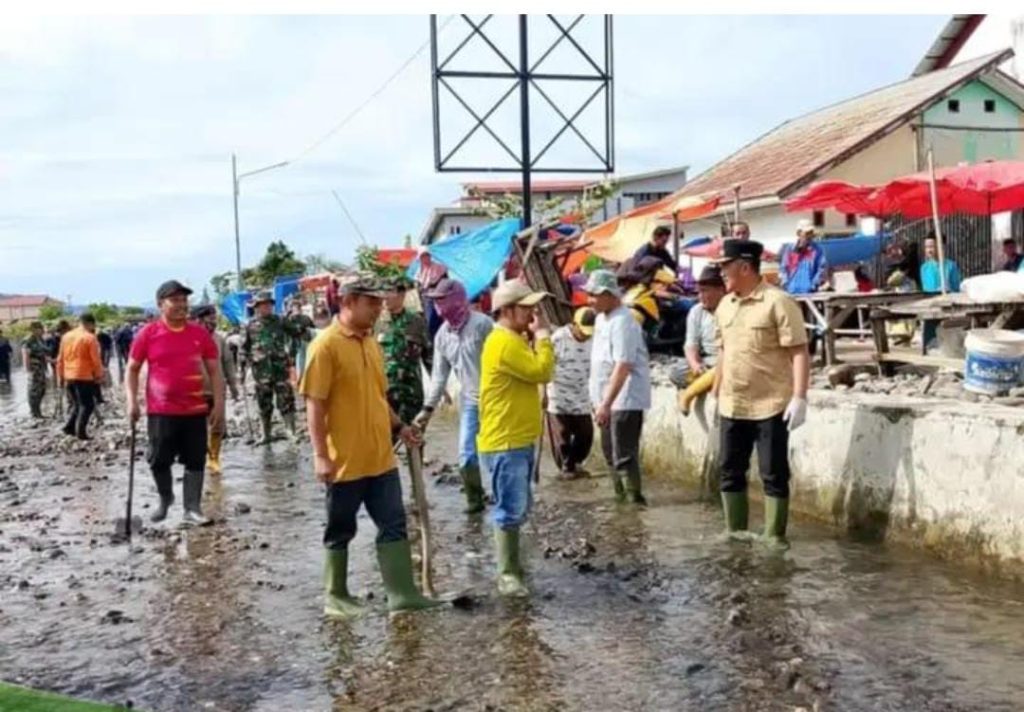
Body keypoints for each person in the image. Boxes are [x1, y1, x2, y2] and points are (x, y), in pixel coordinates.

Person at [299, 274, 440, 617]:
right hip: (344, 460)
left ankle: (402, 594)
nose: (378, 309)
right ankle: (336, 595)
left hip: (380, 457)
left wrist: (401, 427)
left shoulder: (372, 343)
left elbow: (378, 397)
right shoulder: (326, 345)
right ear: (348, 302)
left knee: (393, 524)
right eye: (371, 303)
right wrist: (320, 456)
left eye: (380, 302)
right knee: (341, 528)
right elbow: (314, 404)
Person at [713, 240, 810, 546]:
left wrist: (800, 396)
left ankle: (773, 536)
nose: (721, 273)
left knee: (773, 473)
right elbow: (723, 352)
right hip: (732, 403)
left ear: (744, 266)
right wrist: (716, 391)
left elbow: (799, 351)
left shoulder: (777, 301)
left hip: (771, 404)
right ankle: (735, 531)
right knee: (729, 470)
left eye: (724, 267)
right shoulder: (724, 305)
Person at [477, 280, 555, 597]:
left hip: (514, 439)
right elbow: (542, 371)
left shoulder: (512, 339)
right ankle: (508, 575)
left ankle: (514, 567)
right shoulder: (504, 343)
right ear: (507, 311)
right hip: (505, 441)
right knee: (510, 508)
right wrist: (545, 338)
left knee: (518, 506)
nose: (533, 313)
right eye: (526, 308)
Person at [126, 280, 224, 525]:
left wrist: (220, 406)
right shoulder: (148, 334)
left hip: (195, 410)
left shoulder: (199, 334)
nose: (182, 305)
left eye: (184, 300)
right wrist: (132, 401)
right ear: (161, 304)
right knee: (158, 460)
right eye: (175, 300)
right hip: (161, 411)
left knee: (195, 459)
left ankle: (192, 508)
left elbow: (215, 372)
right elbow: (132, 370)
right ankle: (165, 497)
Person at [414, 278, 494, 514]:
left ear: (457, 300)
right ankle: (475, 501)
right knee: (466, 454)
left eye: (442, 300)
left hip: (496, 398)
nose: (439, 307)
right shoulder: (442, 336)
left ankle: (507, 498)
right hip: (470, 401)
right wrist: (427, 410)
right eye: (436, 302)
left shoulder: (483, 325)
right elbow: (439, 376)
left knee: (497, 454)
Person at [584, 269, 652, 505]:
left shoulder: (623, 321)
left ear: (608, 294)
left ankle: (633, 501)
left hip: (624, 397)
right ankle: (620, 498)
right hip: (606, 398)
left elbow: (623, 365)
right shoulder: (603, 319)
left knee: (623, 453)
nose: (589, 300)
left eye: (593, 295)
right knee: (608, 450)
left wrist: (605, 403)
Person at [243, 291, 301, 444]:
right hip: (261, 371)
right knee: (264, 402)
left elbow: (296, 332)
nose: (266, 307)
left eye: (269, 304)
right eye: (263, 305)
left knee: (286, 399)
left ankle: (290, 431)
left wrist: (292, 353)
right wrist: (244, 363)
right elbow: (244, 347)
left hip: (280, 368)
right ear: (256, 307)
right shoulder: (250, 325)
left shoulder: (280, 321)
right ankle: (266, 434)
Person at [546, 307, 596, 479]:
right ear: (574, 325)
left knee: (586, 434)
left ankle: (575, 463)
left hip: (582, 395)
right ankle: (566, 468)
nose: (585, 335)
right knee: (562, 436)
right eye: (583, 331)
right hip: (558, 395)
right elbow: (545, 364)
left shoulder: (594, 340)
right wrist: (542, 393)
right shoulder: (559, 338)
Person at [375, 277, 431, 428]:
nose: (385, 296)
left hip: (411, 393)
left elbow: (429, 356)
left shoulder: (416, 322)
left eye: (389, 292)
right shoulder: (376, 323)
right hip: (386, 393)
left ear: (402, 294)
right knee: (386, 442)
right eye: (383, 292)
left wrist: (440, 389)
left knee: (415, 439)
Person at [671, 265, 726, 414]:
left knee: (727, 369)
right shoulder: (697, 311)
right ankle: (709, 382)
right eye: (699, 292)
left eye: (705, 291)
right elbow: (690, 345)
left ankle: (688, 394)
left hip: (725, 360)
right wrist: (695, 364)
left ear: (721, 290)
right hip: (706, 362)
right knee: (677, 372)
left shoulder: (730, 308)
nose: (700, 296)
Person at [193, 305, 240, 476]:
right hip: (194, 392)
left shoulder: (219, 340)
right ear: (199, 319)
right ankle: (202, 455)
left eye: (215, 318)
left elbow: (228, 363)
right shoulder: (187, 339)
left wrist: (234, 386)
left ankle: (214, 457)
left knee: (218, 426)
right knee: (198, 428)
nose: (213, 321)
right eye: (210, 318)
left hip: (216, 390)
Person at [57, 313, 104, 440]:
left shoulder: (66, 336)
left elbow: (60, 358)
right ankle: (80, 432)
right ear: (90, 323)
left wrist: (60, 376)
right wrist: (99, 375)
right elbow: (96, 360)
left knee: (78, 404)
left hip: (69, 375)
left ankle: (69, 428)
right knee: (87, 405)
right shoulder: (90, 337)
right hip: (83, 375)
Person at [919, 233, 962, 349]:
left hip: (947, 308)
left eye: (932, 246)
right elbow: (925, 289)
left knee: (948, 340)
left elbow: (957, 289)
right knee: (929, 341)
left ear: (941, 246)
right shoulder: (924, 268)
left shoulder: (950, 266)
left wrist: (948, 290)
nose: (928, 250)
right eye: (926, 247)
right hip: (930, 307)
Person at [778, 219, 829, 294]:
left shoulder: (817, 250)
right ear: (799, 233)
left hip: (810, 293)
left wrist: (814, 285)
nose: (810, 235)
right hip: (791, 292)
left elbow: (822, 269)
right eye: (807, 233)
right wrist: (785, 285)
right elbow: (783, 269)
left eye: (811, 232)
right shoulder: (789, 249)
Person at [415, 248, 449, 341]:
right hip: (427, 301)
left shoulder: (439, 268)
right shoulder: (420, 272)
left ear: (430, 256)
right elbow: (419, 287)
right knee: (430, 323)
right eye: (422, 256)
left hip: (440, 298)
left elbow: (445, 282)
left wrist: (434, 285)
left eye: (427, 255)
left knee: (443, 320)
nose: (425, 258)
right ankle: (435, 343)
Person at [22, 322, 50, 418]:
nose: (42, 330)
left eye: (42, 328)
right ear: (33, 329)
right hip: (34, 368)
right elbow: (26, 355)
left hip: (41, 367)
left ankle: (38, 411)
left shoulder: (40, 339)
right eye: (40, 328)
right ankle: (34, 412)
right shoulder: (28, 340)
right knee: (34, 390)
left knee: (42, 389)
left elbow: (45, 352)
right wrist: (28, 369)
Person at [285, 298, 315, 381]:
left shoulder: (289, 319)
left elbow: (312, 329)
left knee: (298, 363)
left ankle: (300, 381)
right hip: (299, 344)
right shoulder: (289, 319)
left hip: (299, 344)